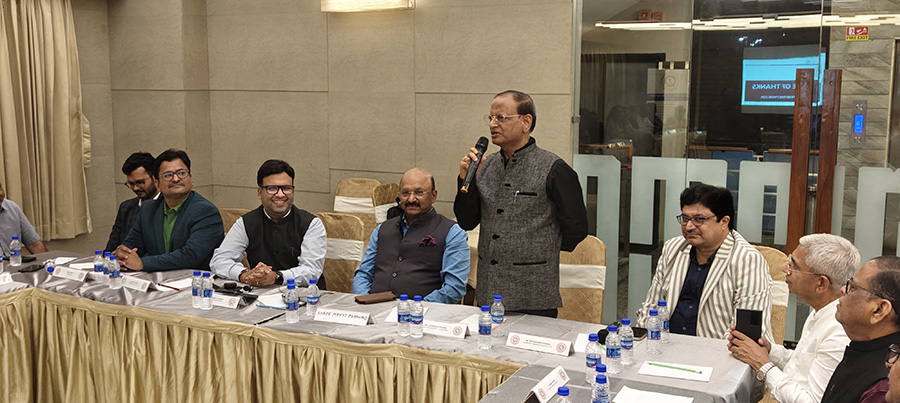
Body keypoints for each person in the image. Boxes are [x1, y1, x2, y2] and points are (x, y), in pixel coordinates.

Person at [454, 90, 588, 317]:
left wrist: (539, 250)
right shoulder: (485, 166)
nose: (492, 125)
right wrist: (464, 178)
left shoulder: (554, 168)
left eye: (501, 118)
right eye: (490, 118)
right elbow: (467, 221)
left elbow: (577, 227)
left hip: (533, 294)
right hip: (489, 292)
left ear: (526, 122)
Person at [727, 233, 858, 403]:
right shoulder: (822, 311)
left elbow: (812, 401)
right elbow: (801, 365)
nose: (784, 270)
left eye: (793, 266)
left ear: (821, 284)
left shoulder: (839, 332)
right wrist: (769, 351)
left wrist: (763, 365)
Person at [636, 183, 772, 339]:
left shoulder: (747, 260)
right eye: (685, 218)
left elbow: (744, 333)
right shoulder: (672, 248)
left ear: (724, 222)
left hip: (720, 350)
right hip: (665, 345)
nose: (689, 227)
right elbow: (651, 307)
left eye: (699, 219)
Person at [353, 168, 469, 303]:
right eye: (405, 193)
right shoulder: (382, 229)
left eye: (419, 192)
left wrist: (416, 308)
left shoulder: (452, 232)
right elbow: (363, 274)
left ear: (434, 196)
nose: (411, 199)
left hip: (424, 312)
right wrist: (365, 300)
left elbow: (454, 288)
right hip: (374, 308)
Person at [211, 159, 326, 287]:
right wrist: (245, 275)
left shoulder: (311, 224)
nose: (280, 194)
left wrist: (277, 277)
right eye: (272, 188)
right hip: (259, 293)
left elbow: (312, 270)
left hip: (304, 295)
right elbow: (219, 260)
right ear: (260, 193)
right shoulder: (246, 223)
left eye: (286, 188)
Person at [115, 149, 224, 271]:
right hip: (159, 279)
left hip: (196, 279)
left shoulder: (205, 211)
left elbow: (191, 256)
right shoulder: (148, 209)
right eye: (168, 175)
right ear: (157, 183)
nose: (176, 179)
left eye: (181, 173)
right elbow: (131, 244)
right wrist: (122, 256)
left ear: (190, 178)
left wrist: (142, 263)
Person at [820, 256, 900, 403]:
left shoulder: (883, 387)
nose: (843, 290)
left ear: (879, 310)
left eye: (853, 287)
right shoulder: (863, 349)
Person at [105, 152, 160, 252]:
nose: (135, 188)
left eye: (140, 182)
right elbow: (111, 248)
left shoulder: (167, 206)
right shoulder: (126, 207)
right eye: (131, 184)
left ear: (155, 178)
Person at [0, 181, 48, 255]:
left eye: (0, 187)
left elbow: (35, 245)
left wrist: (48, 261)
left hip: (14, 261)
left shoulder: (13, 208)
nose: (0, 193)